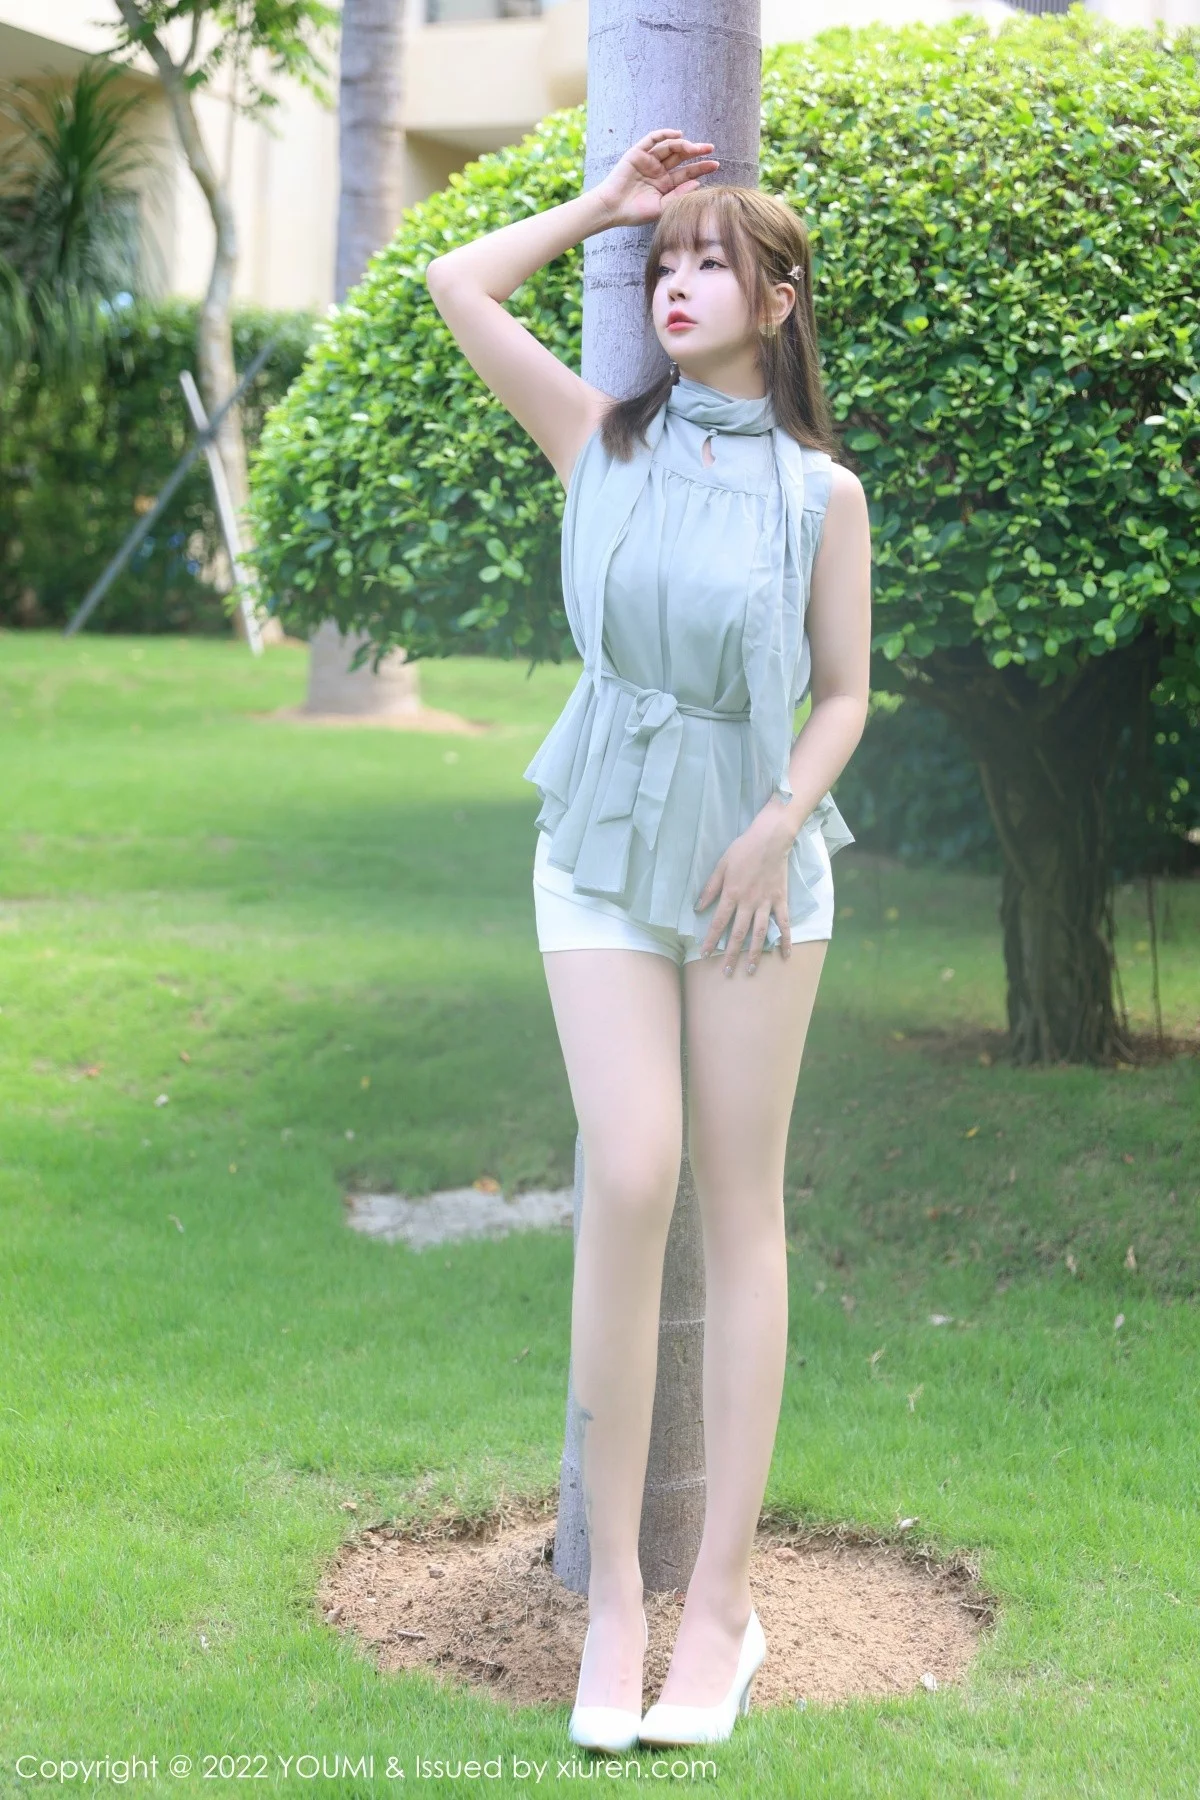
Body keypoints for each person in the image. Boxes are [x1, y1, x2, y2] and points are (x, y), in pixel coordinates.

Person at [426, 129, 871, 1750]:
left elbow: (845, 693)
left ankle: (722, 1608)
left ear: (779, 298)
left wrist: (777, 822)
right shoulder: (597, 437)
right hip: (602, 849)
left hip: (754, 874)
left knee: (742, 1210)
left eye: (705, 262)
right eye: (661, 265)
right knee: (630, 1173)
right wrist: (604, 205)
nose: (673, 284)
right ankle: (614, 1597)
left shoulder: (823, 495)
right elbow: (456, 282)